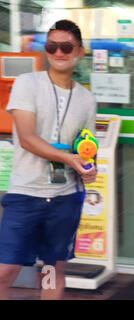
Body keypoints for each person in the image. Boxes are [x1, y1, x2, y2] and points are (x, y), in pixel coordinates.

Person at [0, 20, 97, 300]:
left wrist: (90, 167)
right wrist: (69, 157)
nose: (59, 52)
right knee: (6, 269)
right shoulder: (26, 84)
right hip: (25, 192)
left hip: (65, 197)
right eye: (52, 46)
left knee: (52, 270)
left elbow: (85, 146)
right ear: (46, 51)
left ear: (79, 51)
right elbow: (27, 138)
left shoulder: (87, 100)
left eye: (66, 46)